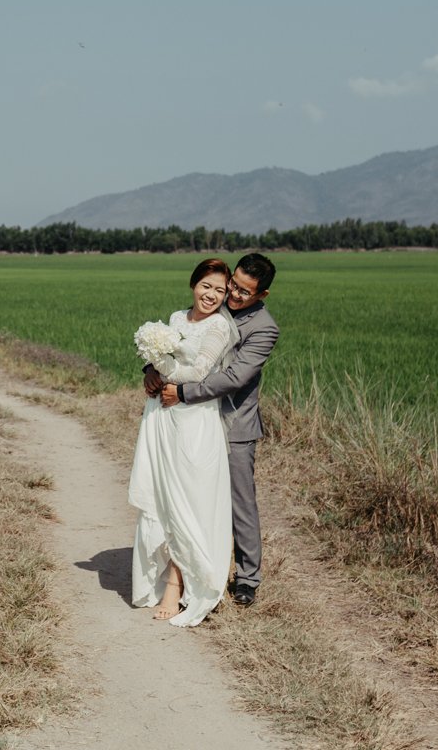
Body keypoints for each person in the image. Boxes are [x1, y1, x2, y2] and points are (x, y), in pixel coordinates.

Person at [147, 252, 278, 608]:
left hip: (233, 424)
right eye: (232, 284)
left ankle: (247, 577)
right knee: (192, 497)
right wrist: (152, 368)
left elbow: (236, 377)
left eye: (244, 292)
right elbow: (180, 341)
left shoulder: (264, 328)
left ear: (261, 295)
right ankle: (196, 570)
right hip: (192, 422)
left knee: (239, 502)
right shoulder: (213, 302)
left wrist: (184, 393)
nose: (233, 294)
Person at [127, 258, 239, 626]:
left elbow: (198, 371)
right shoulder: (176, 319)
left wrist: (161, 370)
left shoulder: (220, 326)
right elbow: (164, 357)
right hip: (162, 416)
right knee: (163, 496)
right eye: (207, 286)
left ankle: (177, 584)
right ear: (194, 284)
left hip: (196, 421)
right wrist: (149, 369)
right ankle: (166, 574)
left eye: (220, 291)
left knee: (188, 499)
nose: (212, 295)